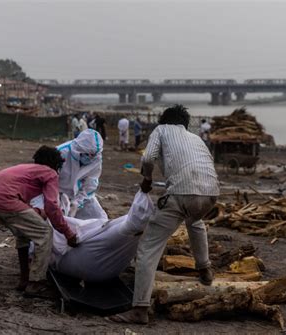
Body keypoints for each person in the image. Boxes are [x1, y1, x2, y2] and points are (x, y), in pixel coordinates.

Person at [109, 104, 220, 324]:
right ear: (185, 124)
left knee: (148, 248)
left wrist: (147, 180)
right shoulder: (196, 138)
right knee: (194, 221)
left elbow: (148, 158)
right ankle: (204, 267)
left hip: (181, 192)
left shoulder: (161, 130)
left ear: (164, 120)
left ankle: (140, 309)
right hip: (211, 193)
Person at [0, 146, 78, 294]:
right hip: (7, 199)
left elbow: (21, 201)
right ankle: (36, 282)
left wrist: (37, 212)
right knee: (45, 234)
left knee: (23, 235)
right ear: (56, 164)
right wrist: (68, 233)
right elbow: (52, 205)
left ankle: (24, 279)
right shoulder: (50, 173)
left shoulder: (27, 169)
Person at [57, 129, 108, 220]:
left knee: (100, 219)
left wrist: (77, 202)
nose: (90, 157)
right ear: (79, 149)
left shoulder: (96, 159)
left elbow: (91, 183)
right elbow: (49, 179)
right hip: (58, 194)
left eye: (93, 155)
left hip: (80, 196)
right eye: (87, 154)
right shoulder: (61, 153)